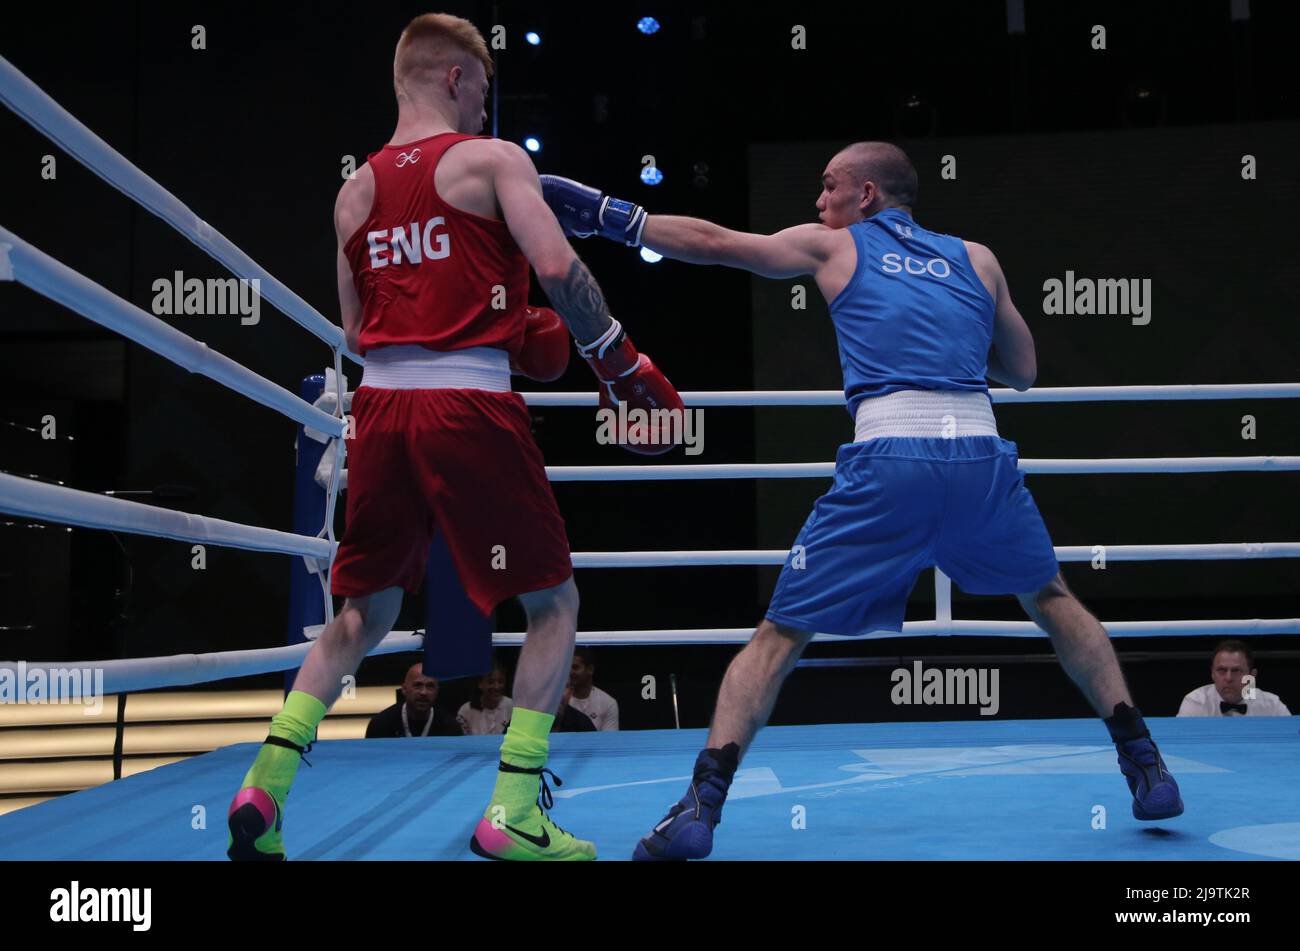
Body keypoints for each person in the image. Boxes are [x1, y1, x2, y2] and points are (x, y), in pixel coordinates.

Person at [541, 141, 1185, 861]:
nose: (818, 202)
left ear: (867, 194)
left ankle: (700, 807)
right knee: (1054, 599)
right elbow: (1025, 371)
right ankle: (1145, 762)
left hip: (890, 457)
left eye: (828, 187)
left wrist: (609, 217)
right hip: (978, 453)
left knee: (781, 634)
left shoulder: (835, 245)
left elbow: (720, 244)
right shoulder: (978, 257)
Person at [227, 12, 681, 863]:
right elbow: (558, 267)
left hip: (382, 412)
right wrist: (617, 359)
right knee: (553, 605)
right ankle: (513, 810)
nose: (485, 110)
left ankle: (265, 786)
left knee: (363, 613)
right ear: (453, 78)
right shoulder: (492, 161)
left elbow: (358, 334)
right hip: (468, 407)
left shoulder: (352, 191)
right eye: (483, 91)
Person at [1178, 639, 1291, 716]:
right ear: (1212, 673)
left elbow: (1293, 743)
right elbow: (1179, 747)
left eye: (1236, 671)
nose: (1228, 678)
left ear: (1252, 675)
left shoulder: (1272, 705)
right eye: (1221, 670)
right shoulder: (1195, 702)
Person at [365, 662, 462, 737]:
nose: (424, 692)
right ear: (404, 689)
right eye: (417, 685)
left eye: (430, 686)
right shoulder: (380, 725)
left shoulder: (451, 728)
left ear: (437, 691)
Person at [567, 647, 619, 730]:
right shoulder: (558, 701)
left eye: (575, 667)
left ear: (590, 669)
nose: (570, 672)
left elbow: (609, 741)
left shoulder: (608, 703)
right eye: (567, 667)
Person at [456, 664, 514, 735]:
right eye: (490, 682)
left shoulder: (512, 706)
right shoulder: (465, 711)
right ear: (480, 684)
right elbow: (461, 742)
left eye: (500, 682)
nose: (496, 687)